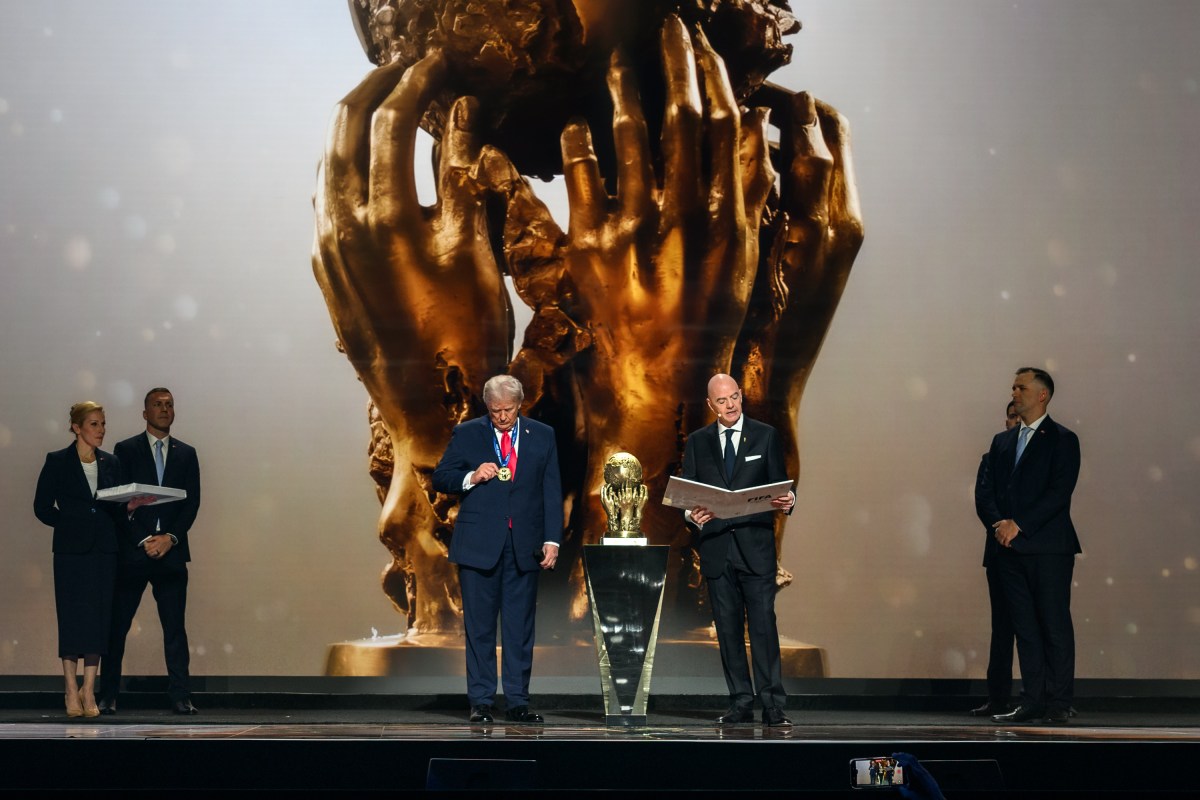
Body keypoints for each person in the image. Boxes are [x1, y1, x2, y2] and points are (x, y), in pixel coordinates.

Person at [432, 375, 563, 724]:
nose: (502, 417)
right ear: (486, 407)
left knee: (520, 628)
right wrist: (471, 476)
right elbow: (440, 477)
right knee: (480, 628)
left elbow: (552, 491)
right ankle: (482, 702)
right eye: (495, 411)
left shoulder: (542, 435)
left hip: (524, 545)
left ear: (520, 405)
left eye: (507, 410)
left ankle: (518, 701)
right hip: (478, 546)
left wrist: (552, 540)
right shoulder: (469, 433)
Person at [681, 373, 795, 727]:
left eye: (734, 397)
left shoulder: (765, 435)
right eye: (722, 401)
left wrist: (790, 500)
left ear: (741, 396)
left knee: (763, 627)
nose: (730, 405)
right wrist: (692, 515)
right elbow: (688, 495)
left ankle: (773, 704)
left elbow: (782, 486)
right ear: (710, 405)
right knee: (728, 631)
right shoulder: (698, 442)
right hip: (717, 549)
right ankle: (740, 701)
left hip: (755, 548)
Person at [976, 368, 1081, 725]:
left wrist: (1018, 524)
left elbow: (1058, 493)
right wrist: (1000, 525)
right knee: (1025, 629)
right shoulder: (1002, 442)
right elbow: (989, 493)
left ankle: (1058, 701)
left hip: (1049, 549)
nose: (1014, 392)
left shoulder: (1063, 439)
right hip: (1009, 551)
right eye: (1013, 387)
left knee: (1053, 624)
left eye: (1022, 387)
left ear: (1042, 395)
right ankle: (1032, 699)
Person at [33, 402, 151, 717]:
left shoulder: (111, 462)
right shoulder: (57, 461)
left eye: (102, 424)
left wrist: (131, 507)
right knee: (72, 617)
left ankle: (89, 689)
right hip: (71, 552)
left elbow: (116, 508)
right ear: (77, 427)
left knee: (99, 619)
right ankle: (70, 689)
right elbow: (42, 507)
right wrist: (72, 524)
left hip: (104, 551)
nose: (101, 430)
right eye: (94, 424)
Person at [99, 388, 202, 715]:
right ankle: (108, 694)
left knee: (175, 629)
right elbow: (118, 503)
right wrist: (144, 539)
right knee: (117, 627)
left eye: (169, 404)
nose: (164, 409)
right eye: (157, 404)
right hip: (133, 553)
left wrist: (169, 538)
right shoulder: (125, 450)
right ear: (145, 413)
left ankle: (181, 695)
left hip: (171, 554)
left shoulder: (187, 453)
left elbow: (192, 503)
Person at [968, 400, 1021, 717]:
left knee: (1036, 628)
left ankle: (1039, 697)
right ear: (1006, 421)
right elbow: (983, 499)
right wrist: (1003, 528)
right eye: (1012, 417)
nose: (1016, 422)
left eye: (1021, 417)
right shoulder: (993, 457)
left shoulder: (1043, 455)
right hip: (1000, 552)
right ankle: (998, 698)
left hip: (1033, 552)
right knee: (1002, 628)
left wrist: (1022, 529)